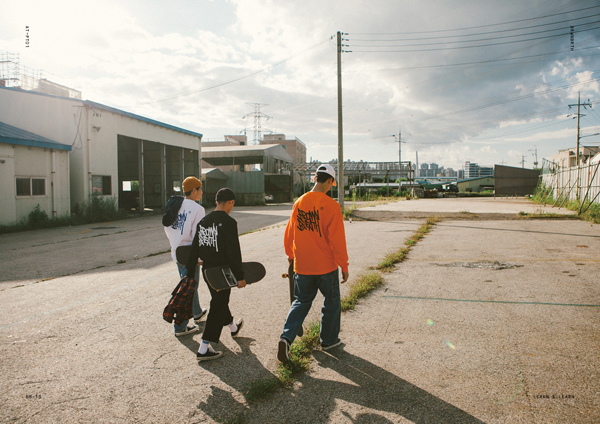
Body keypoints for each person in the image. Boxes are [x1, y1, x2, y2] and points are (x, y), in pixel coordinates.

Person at [278, 164, 349, 363]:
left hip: (303, 265)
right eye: (332, 183)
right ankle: (328, 340)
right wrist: (344, 265)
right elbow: (337, 239)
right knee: (332, 301)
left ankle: (286, 338)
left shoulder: (299, 202)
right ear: (329, 181)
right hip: (325, 265)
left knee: (301, 301)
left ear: (315, 178)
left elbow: (290, 233)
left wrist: (291, 257)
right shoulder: (332, 206)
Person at [187, 188, 247, 361]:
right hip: (222, 273)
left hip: (207, 271)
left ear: (216, 201)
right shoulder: (229, 222)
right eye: (232, 205)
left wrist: (191, 274)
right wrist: (240, 276)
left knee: (219, 300)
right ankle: (204, 347)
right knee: (218, 304)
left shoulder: (204, 221)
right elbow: (233, 252)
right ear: (230, 202)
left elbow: (194, 250)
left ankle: (232, 327)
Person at [163, 176, 207, 337]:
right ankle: (180, 327)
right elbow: (198, 235)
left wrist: (176, 242)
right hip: (190, 253)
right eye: (200, 189)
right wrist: (200, 256)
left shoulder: (175, 204)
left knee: (189, 284)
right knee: (187, 289)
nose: (202, 193)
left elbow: (167, 226)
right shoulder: (197, 209)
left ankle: (196, 313)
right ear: (194, 190)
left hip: (177, 251)